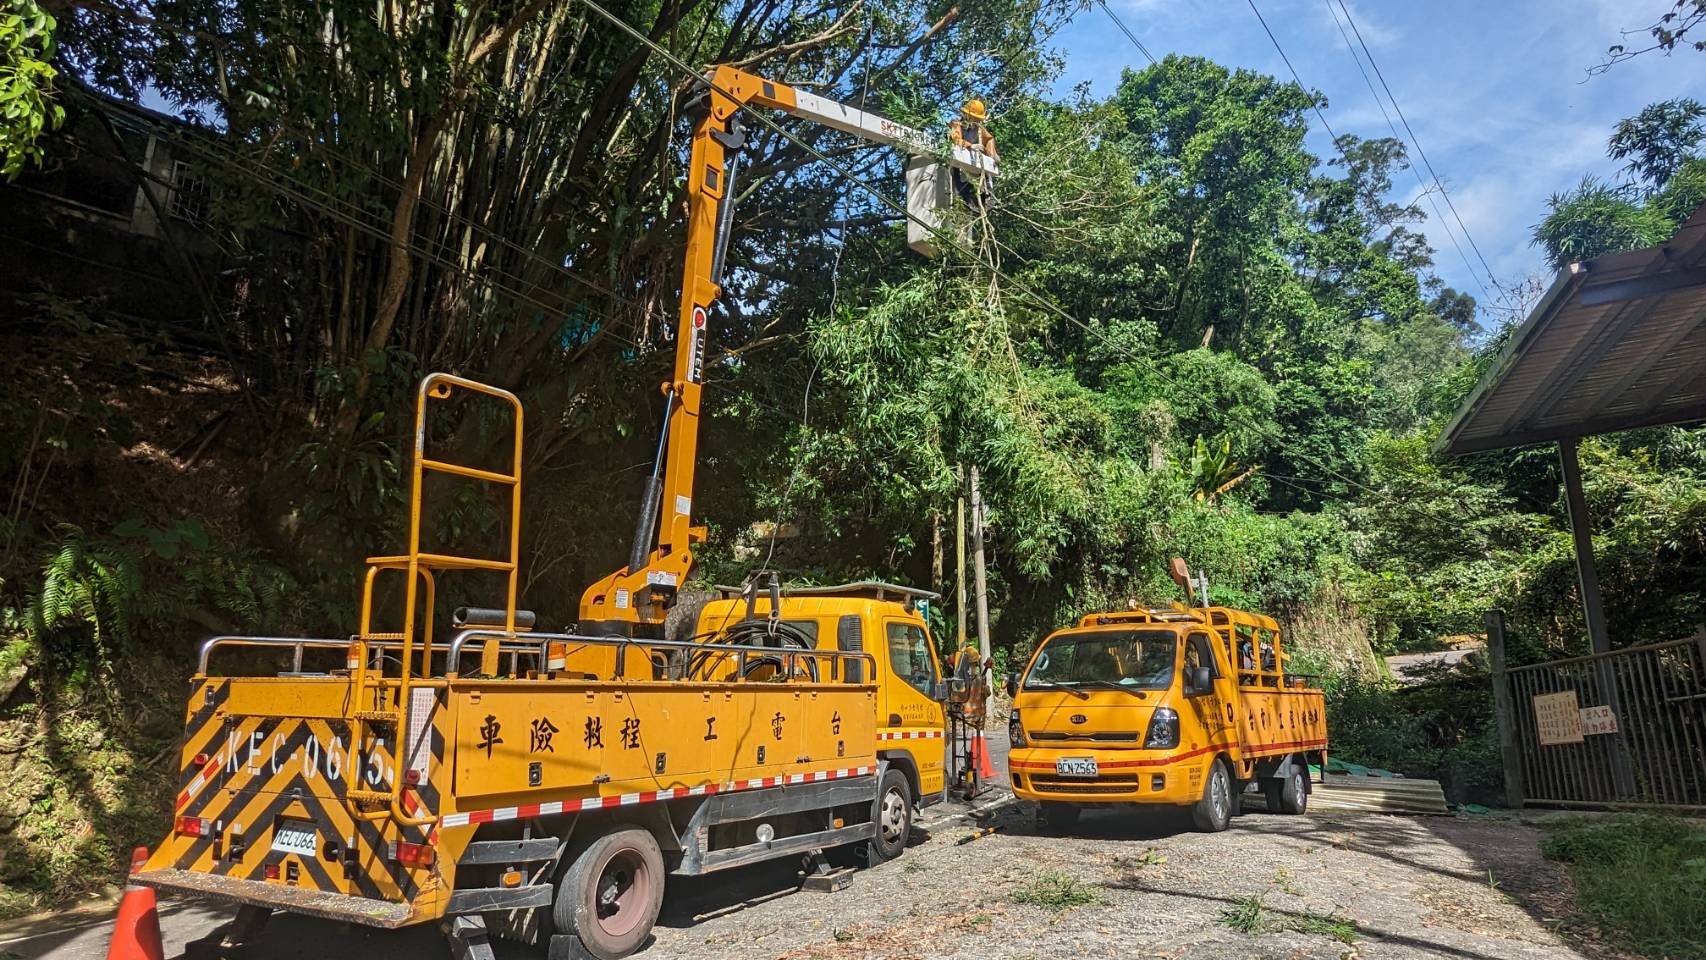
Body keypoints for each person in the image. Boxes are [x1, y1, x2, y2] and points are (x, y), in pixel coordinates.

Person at [946, 98, 998, 206]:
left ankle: (985, 193)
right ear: (968, 115)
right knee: (960, 185)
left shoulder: (979, 129)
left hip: (975, 167)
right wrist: (970, 145)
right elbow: (955, 139)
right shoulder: (957, 125)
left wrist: (992, 155)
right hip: (959, 164)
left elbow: (989, 139)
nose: (978, 121)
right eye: (976, 118)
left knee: (982, 179)